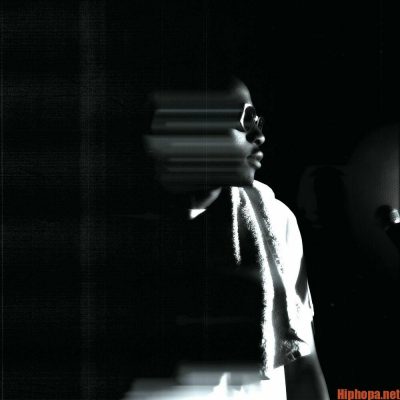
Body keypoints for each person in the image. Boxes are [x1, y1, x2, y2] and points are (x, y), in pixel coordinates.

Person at [117, 79, 329, 399]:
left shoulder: (276, 220)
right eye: (245, 119)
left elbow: (303, 367)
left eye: (258, 121)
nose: (259, 135)